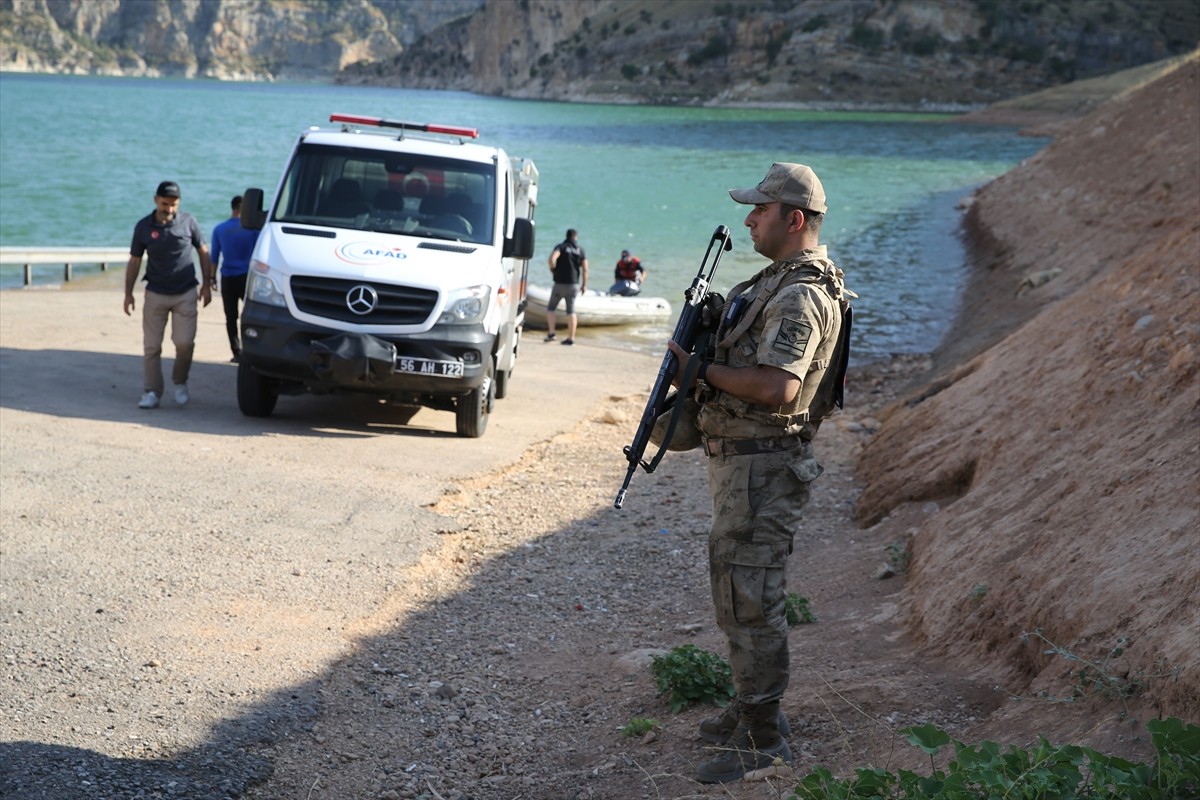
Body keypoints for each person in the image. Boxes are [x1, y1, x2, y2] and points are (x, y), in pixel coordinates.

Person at [666, 163, 850, 783]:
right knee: (737, 593)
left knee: (751, 601)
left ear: (793, 219)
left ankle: (765, 739)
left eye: (760, 210)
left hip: (764, 470)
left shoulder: (800, 294)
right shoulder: (776, 282)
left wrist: (699, 372)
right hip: (748, 468)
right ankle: (750, 710)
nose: (748, 219)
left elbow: (778, 386)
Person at [123, 180, 213, 409]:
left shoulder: (188, 222)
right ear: (156, 200)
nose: (169, 209)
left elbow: (203, 251)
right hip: (155, 293)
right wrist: (128, 293)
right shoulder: (143, 227)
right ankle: (152, 391)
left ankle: (180, 381)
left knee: (184, 342)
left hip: (185, 292)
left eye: (174, 205)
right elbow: (134, 261)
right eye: (165, 204)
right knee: (152, 346)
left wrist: (207, 284)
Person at [210, 194, 260, 362]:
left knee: (230, 317)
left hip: (227, 278)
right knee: (251, 316)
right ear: (244, 210)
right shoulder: (253, 230)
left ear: (233, 208)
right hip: (247, 278)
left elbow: (214, 257)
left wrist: (211, 278)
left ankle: (236, 352)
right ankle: (251, 350)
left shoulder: (219, 229)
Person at [544, 228, 588, 345]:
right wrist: (584, 285)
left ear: (566, 236)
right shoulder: (580, 250)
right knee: (571, 311)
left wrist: (553, 270)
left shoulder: (561, 247)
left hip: (560, 283)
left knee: (551, 308)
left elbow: (552, 259)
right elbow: (585, 269)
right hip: (573, 284)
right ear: (576, 237)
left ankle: (552, 333)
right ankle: (571, 338)